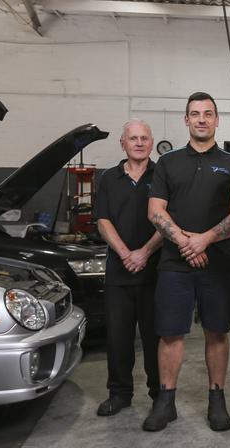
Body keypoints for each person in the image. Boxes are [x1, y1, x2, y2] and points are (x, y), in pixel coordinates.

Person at [144, 92, 230, 433]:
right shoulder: (168, 164)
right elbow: (156, 211)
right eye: (195, 114)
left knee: (217, 331)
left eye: (208, 114)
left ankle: (217, 399)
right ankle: (165, 402)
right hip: (174, 263)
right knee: (170, 333)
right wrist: (187, 241)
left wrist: (206, 239)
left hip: (219, 263)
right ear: (186, 120)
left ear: (217, 120)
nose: (201, 119)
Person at [95, 119, 163, 417]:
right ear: (122, 143)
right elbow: (102, 220)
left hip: (156, 273)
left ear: (151, 142)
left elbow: (168, 221)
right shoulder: (109, 178)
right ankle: (119, 394)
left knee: (155, 338)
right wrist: (126, 254)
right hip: (119, 274)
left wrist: (145, 252)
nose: (139, 142)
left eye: (144, 138)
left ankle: (160, 394)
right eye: (132, 138)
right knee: (118, 338)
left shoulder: (162, 174)